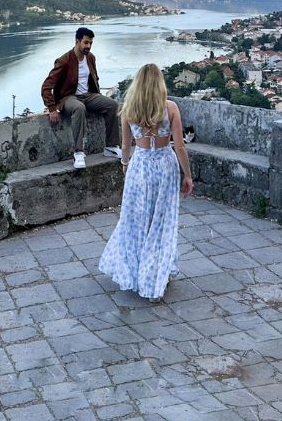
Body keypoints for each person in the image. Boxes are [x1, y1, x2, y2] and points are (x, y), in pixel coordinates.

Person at [98, 63, 193, 302]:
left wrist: (126, 167)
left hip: (139, 166)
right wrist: (188, 175)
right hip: (164, 166)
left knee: (136, 221)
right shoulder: (170, 108)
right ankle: (154, 275)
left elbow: (126, 147)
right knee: (161, 223)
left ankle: (134, 272)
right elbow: (179, 146)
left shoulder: (128, 109)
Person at [41, 27, 121, 168]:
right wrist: (52, 108)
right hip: (68, 98)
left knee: (113, 105)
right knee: (79, 107)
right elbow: (46, 86)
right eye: (85, 43)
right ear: (77, 41)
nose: (88, 46)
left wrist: (98, 97)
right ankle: (78, 153)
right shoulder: (64, 61)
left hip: (88, 96)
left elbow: (95, 79)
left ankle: (111, 146)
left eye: (90, 43)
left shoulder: (90, 58)